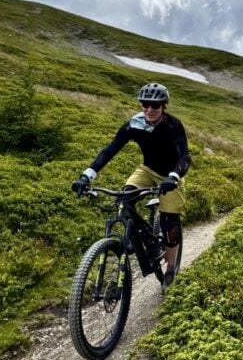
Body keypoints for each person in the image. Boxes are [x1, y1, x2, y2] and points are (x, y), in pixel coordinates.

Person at [72, 82, 191, 287]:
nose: (149, 109)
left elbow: (184, 157)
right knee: (124, 198)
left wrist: (173, 177)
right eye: (145, 104)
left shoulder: (173, 125)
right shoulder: (134, 124)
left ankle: (171, 267)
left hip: (170, 175)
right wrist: (87, 175)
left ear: (164, 106)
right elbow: (110, 150)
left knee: (169, 221)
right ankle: (138, 239)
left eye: (155, 105)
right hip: (146, 171)